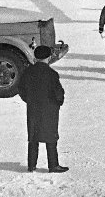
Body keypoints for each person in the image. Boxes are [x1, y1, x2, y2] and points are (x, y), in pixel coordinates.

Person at [18, 45, 68, 173]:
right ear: (49, 57)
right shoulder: (52, 74)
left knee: (33, 137)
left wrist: (29, 100)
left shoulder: (27, 72)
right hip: (49, 109)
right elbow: (58, 93)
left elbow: (21, 89)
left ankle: (31, 165)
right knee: (51, 137)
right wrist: (58, 103)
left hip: (33, 108)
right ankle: (53, 165)